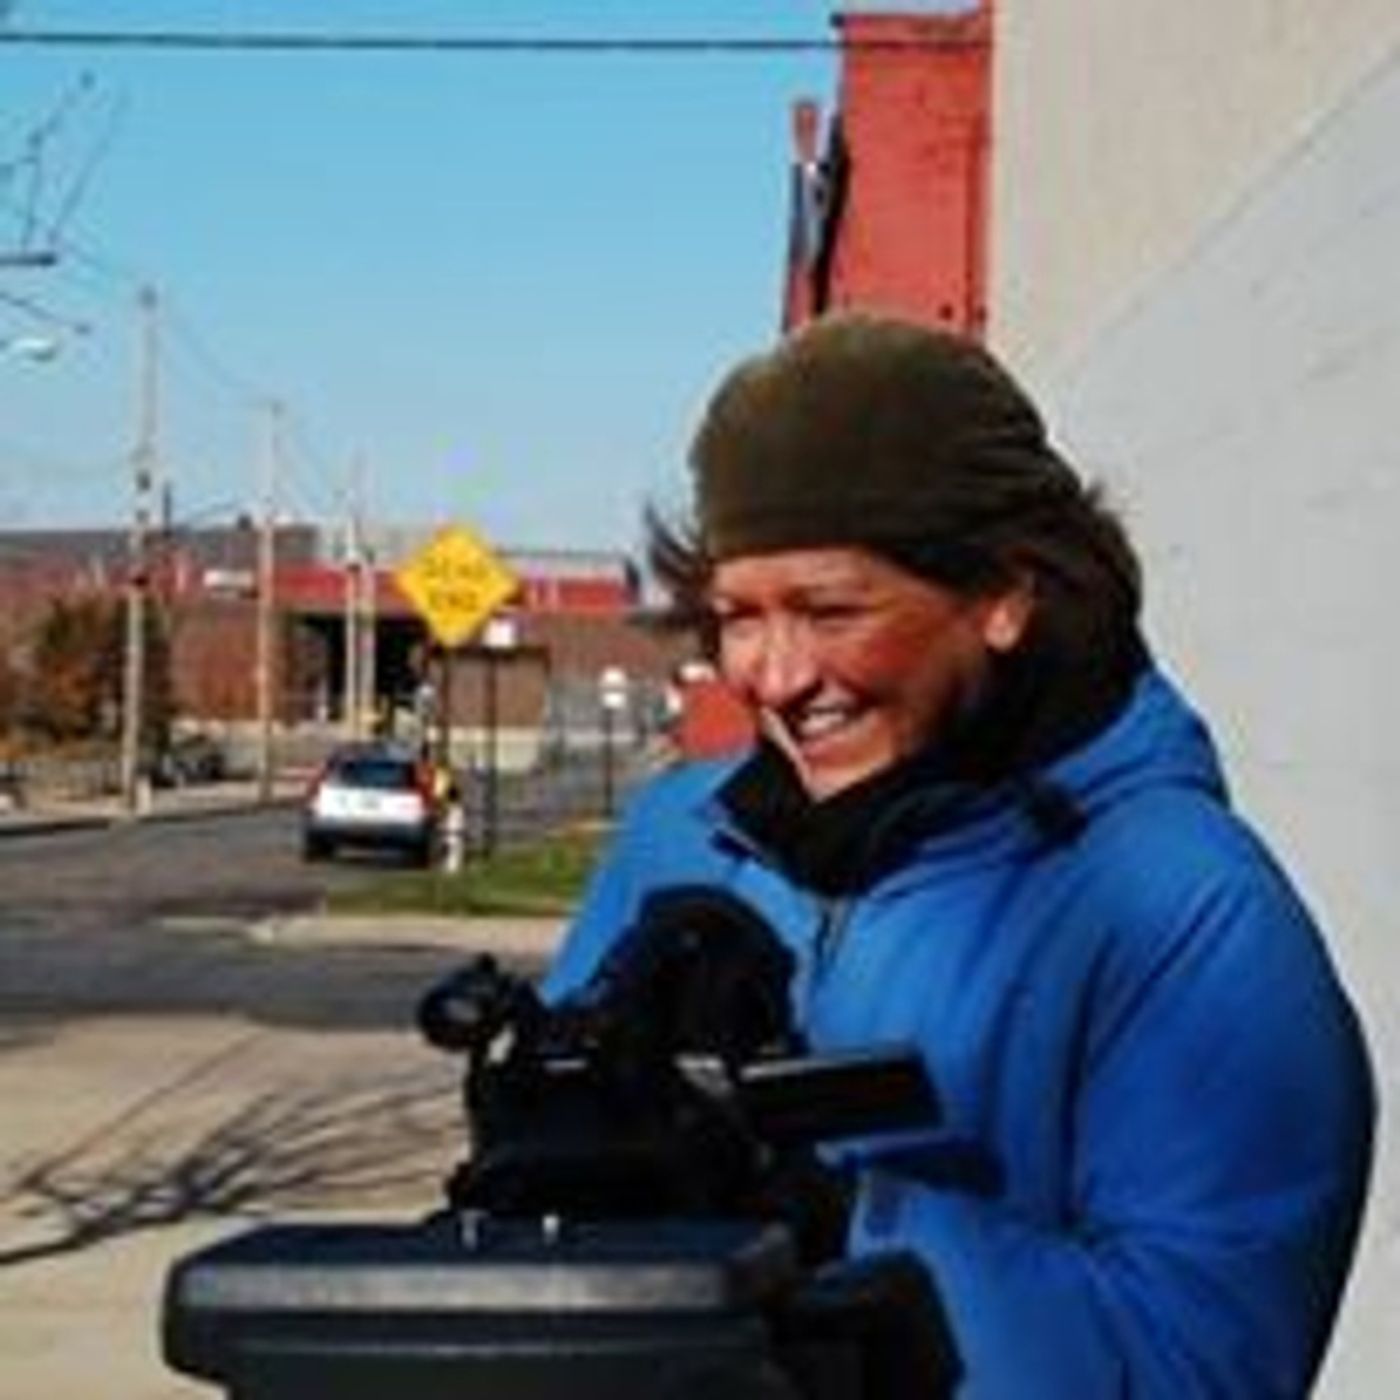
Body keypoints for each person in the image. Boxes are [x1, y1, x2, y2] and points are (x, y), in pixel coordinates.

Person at [542, 312, 1374, 1396]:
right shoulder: (681, 838)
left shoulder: (1182, 912)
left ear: (1001, 596)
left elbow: (1195, 1365)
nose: (776, 674)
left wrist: (822, 1216)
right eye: (736, 615)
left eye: (829, 608)